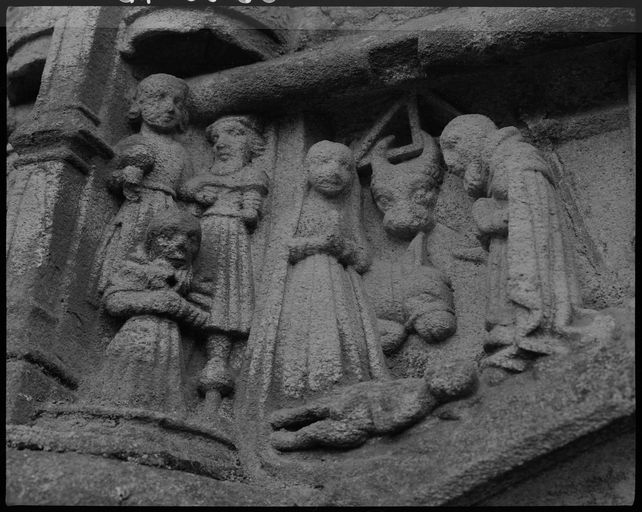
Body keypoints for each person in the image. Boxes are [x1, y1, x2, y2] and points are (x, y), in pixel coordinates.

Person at [440, 114, 581, 372]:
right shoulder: (500, 163)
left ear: (472, 139)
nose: (449, 163)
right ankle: (511, 337)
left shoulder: (515, 158)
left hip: (525, 254)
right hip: (507, 251)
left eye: (452, 147)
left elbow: (525, 213)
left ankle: (530, 330)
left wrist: (485, 215)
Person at [268, 140, 389, 401]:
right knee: (304, 335)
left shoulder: (346, 213)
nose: (334, 171)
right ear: (307, 169)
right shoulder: (296, 211)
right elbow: (281, 249)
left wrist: (343, 249)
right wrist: (319, 244)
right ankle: (302, 391)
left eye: (344, 166)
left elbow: (363, 258)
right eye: (324, 162)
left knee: (343, 332)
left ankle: (344, 385)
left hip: (342, 286)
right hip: (303, 285)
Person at [179, 115, 268, 403]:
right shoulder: (205, 177)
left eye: (233, 133)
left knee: (224, 299)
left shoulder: (251, 175)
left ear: (252, 143)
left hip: (230, 235)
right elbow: (190, 207)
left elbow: (251, 214)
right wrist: (199, 199)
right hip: (199, 236)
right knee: (191, 291)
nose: (221, 143)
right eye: (216, 138)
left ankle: (216, 361)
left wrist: (224, 199)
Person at [89, 209, 209, 417]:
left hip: (168, 340)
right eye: (169, 236)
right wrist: (155, 301)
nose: (181, 244)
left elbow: (206, 318)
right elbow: (114, 301)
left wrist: (182, 308)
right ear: (151, 240)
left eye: (191, 239)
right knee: (127, 378)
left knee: (164, 382)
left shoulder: (189, 281)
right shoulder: (137, 269)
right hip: (137, 334)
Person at [92, 73, 192, 296]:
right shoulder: (132, 142)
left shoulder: (181, 152)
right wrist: (126, 176)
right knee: (129, 248)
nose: (170, 108)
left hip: (168, 213)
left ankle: (154, 289)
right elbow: (110, 179)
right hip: (138, 206)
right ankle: (119, 290)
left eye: (178, 103)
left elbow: (185, 189)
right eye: (160, 98)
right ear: (140, 104)